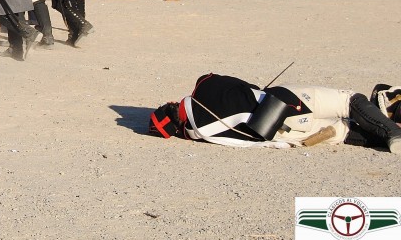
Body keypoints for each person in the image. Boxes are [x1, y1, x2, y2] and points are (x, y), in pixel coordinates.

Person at [148, 72, 401, 154]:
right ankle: (393, 133)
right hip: (284, 102)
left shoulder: (198, 134)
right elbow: (244, 85)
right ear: (173, 104)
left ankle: (386, 138)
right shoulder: (205, 84)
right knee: (350, 101)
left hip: (279, 134)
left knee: (343, 131)